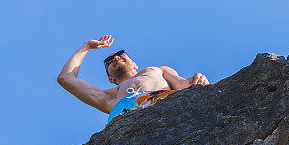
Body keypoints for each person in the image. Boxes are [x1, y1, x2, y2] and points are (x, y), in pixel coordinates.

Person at [57, 35, 208, 123]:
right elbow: (65, 78)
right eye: (108, 61)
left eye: (121, 53)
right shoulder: (109, 96)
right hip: (127, 124)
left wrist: (197, 79)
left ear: (135, 64)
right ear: (111, 79)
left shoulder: (158, 70)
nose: (115, 57)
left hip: (165, 110)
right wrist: (85, 47)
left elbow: (183, 84)